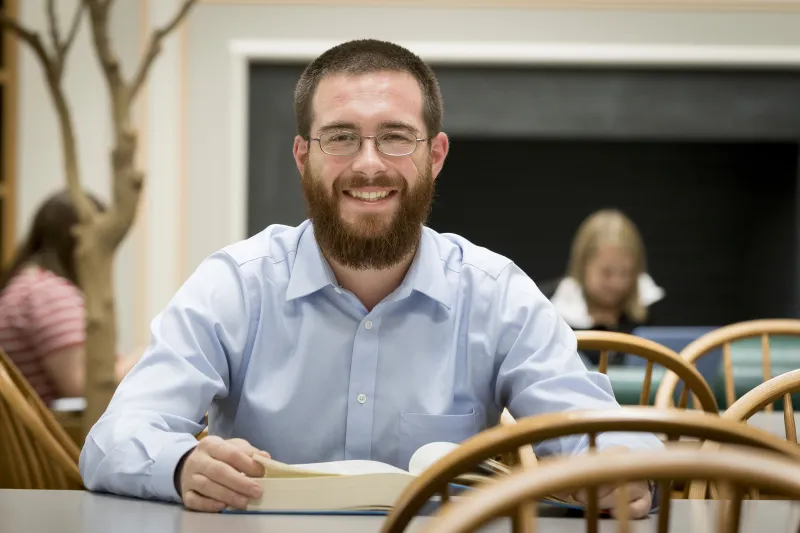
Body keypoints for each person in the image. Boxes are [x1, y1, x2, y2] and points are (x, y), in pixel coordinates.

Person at [79, 39, 663, 517]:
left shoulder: (497, 293)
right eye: (340, 137)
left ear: (434, 155)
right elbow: (113, 438)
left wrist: (623, 472)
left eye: (394, 136)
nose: (368, 163)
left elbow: (603, 433)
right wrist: (181, 465)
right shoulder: (235, 285)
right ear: (302, 155)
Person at [0, 190, 142, 405]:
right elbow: (80, 384)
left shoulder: (28, 283)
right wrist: (143, 359)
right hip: (54, 435)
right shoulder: (47, 293)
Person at [539, 209, 665, 366]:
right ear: (583, 265)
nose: (617, 283)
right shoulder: (549, 306)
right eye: (607, 273)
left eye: (626, 273)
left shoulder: (652, 305)